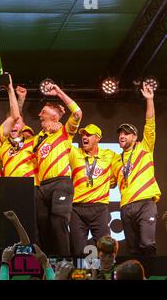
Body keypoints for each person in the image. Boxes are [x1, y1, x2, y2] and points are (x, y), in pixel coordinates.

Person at [33, 82, 82, 256]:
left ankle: (65, 263)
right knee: (42, 225)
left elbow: (77, 113)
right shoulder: (39, 137)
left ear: (54, 117)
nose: (39, 114)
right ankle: (48, 263)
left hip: (60, 183)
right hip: (42, 187)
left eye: (44, 112)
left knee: (58, 223)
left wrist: (60, 93)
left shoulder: (64, 132)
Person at [112, 83, 161, 255]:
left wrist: (150, 100)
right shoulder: (116, 160)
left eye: (126, 133)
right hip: (125, 207)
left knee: (147, 245)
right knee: (132, 250)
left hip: (145, 203)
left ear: (135, 136)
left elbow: (150, 123)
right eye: (120, 133)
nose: (122, 136)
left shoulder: (144, 147)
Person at [69, 124, 117, 256]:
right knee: (78, 250)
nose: (84, 137)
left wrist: (112, 182)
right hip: (77, 209)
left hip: (99, 208)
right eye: (83, 134)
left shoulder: (110, 155)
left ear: (97, 138)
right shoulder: (75, 153)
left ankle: (105, 275)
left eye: (88, 135)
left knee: (106, 248)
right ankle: (80, 276)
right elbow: (64, 142)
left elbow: (122, 168)